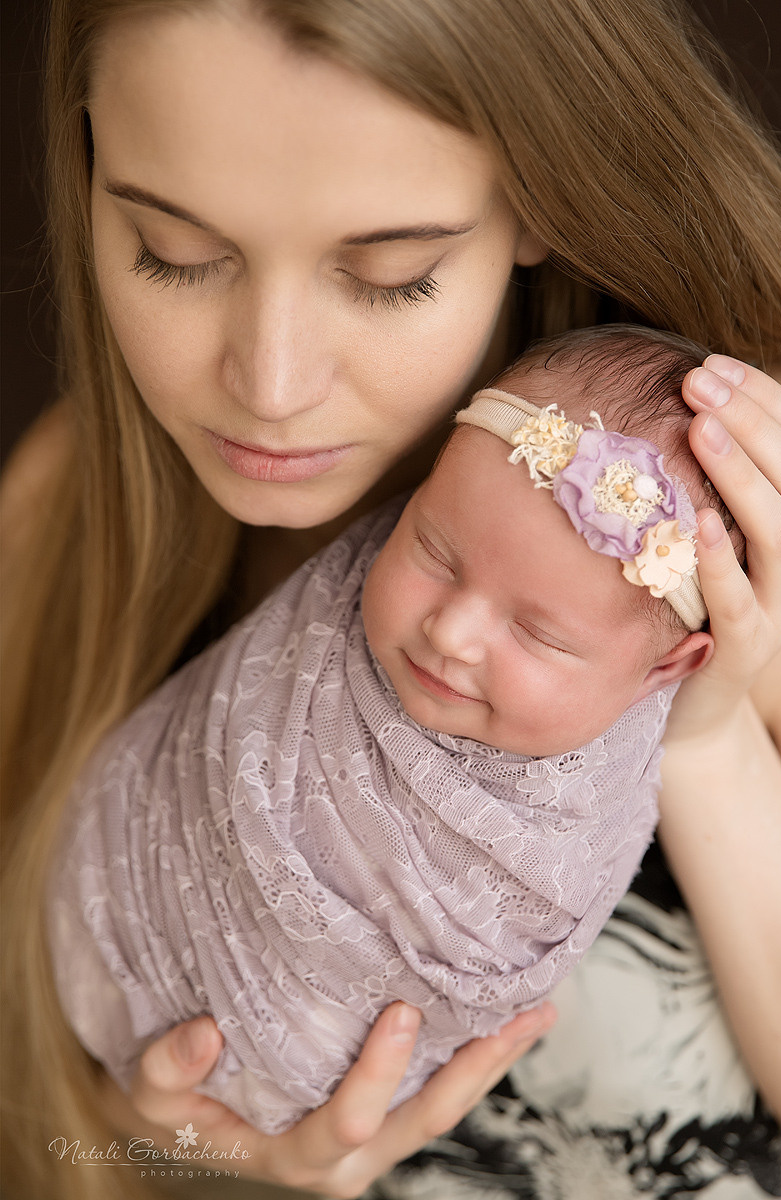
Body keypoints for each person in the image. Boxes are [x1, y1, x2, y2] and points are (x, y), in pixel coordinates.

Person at [1, 1, 781, 1198]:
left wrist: (696, 737)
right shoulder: (64, 510)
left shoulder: (745, 502)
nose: (269, 386)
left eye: (390, 275)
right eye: (175, 251)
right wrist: (161, 1134)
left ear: (538, 202)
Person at [50, 325, 723, 1139]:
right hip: (95, 915)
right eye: (434, 552)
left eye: (540, 636)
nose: (452, 632)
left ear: (665, 671)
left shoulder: (618, 785)